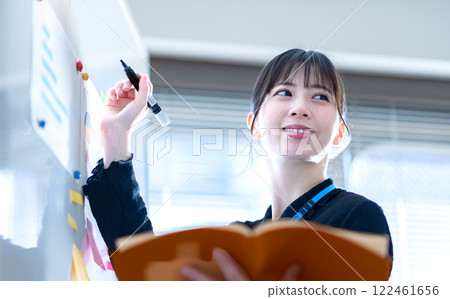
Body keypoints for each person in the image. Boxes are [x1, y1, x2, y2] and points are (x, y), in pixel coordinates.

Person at [83, 48, 393, 280]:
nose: (300, 108)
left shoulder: (358, 219)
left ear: (339, 132)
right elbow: (145, 271)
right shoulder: (238, 243)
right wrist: (116, 133)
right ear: (255, 124)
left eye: (321, 97)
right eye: (285, 92)